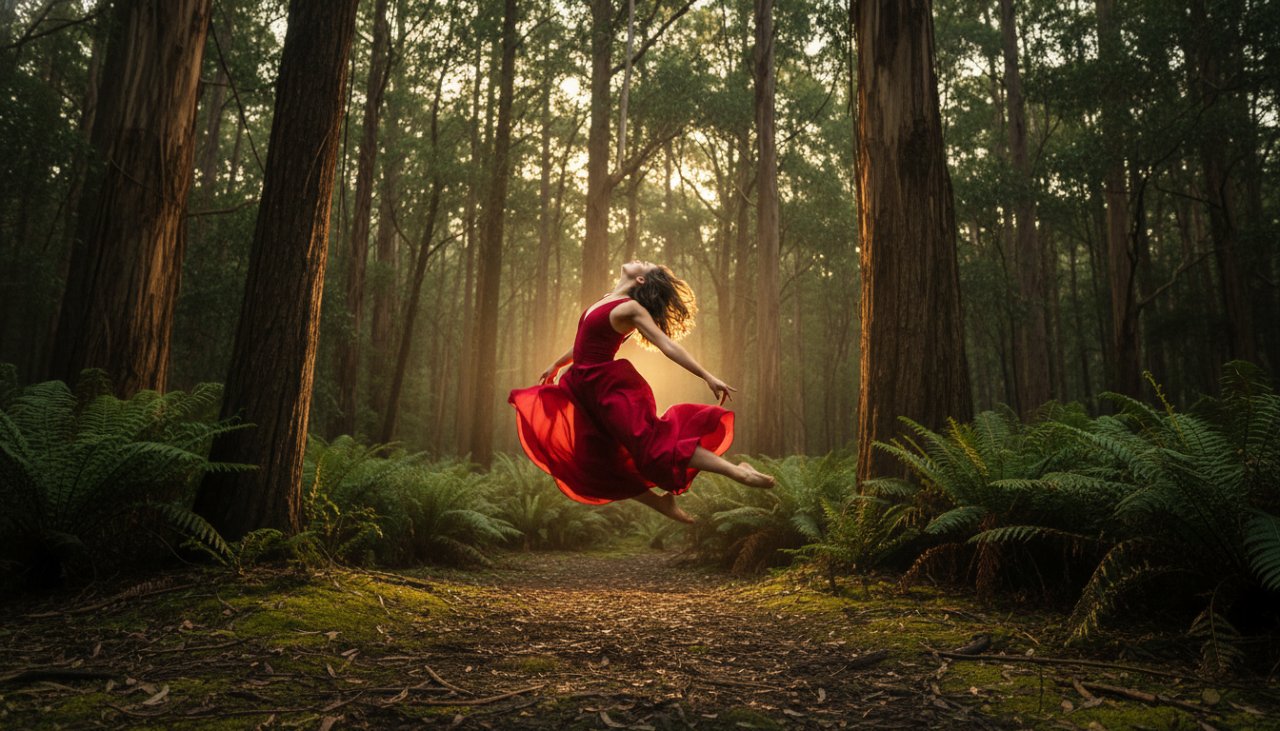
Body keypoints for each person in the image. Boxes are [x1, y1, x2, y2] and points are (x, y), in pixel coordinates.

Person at [508, 260, 774, 525]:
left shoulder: (631, 309)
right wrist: (557, 364)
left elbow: (667, 345)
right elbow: (583, 341)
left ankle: (738, 473)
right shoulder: (607, 298)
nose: (640, 260)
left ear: (641, 280)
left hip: (608, 389)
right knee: (594, 459)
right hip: (582, 389)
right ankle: (659, 503)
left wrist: (706, 375)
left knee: (654, 446)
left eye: (645, 265)